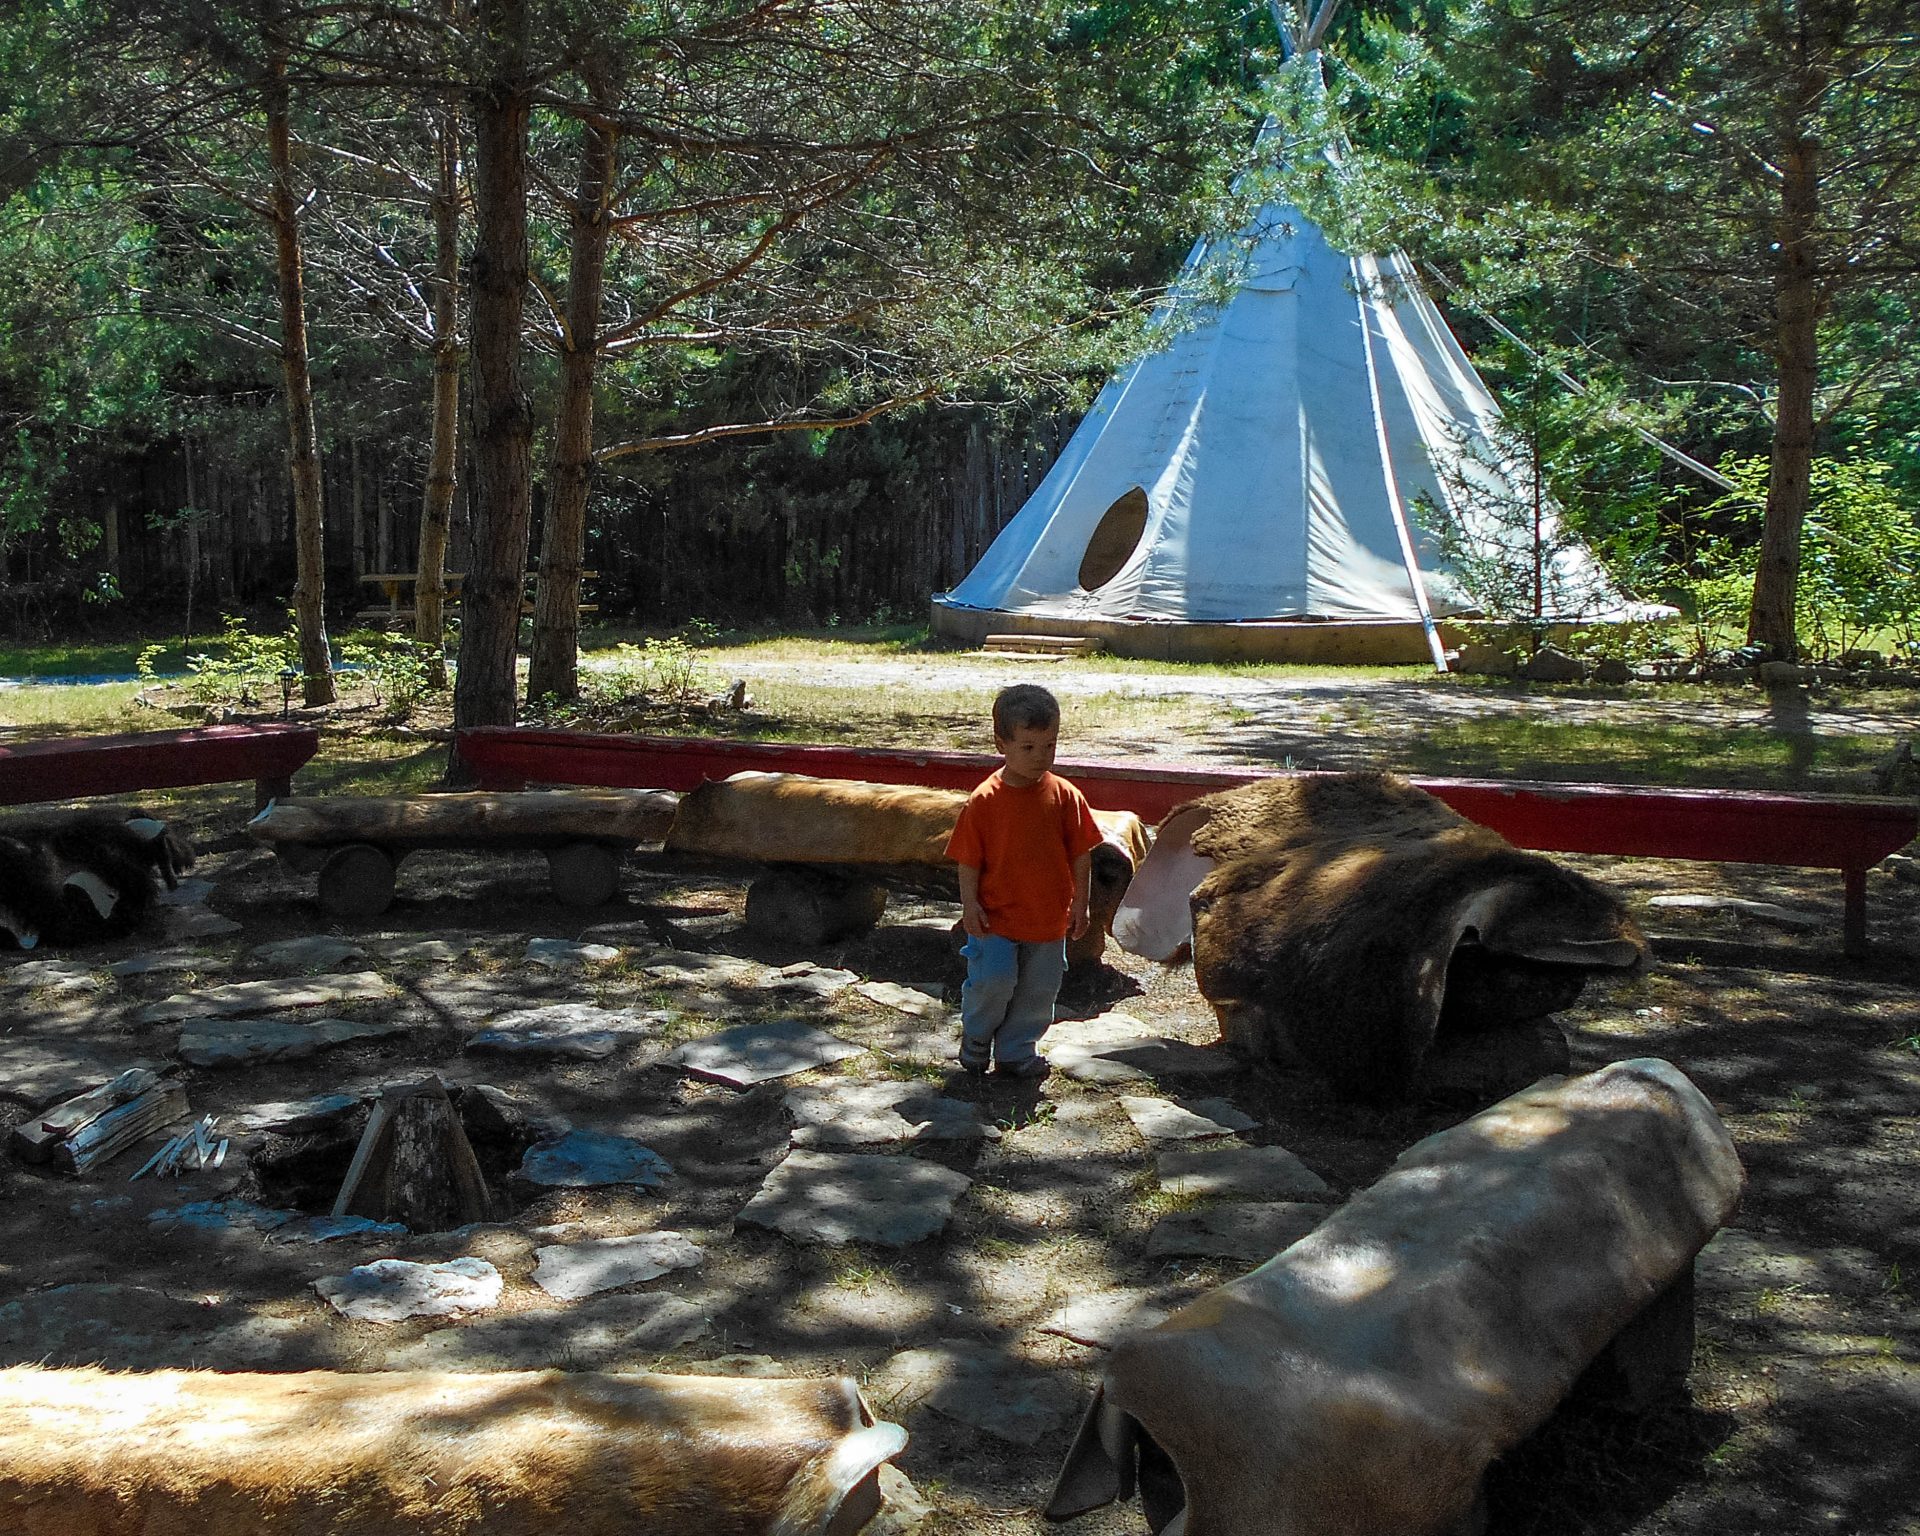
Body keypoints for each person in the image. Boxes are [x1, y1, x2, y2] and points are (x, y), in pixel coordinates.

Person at [944, 683, 1105, 1078]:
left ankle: (1018, 1050)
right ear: (1002, 743)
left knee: (1039, 989)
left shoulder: (1066, 796)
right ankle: (977, 1038)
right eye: (1028, 747)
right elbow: (968, 859)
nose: (1041, 757)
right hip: (995, 918)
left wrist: (1080, 903)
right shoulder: (984, 800)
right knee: (993, 981)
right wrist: (969, 905)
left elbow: (1081, 853)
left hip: (1047, 918)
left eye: (1050, 745)